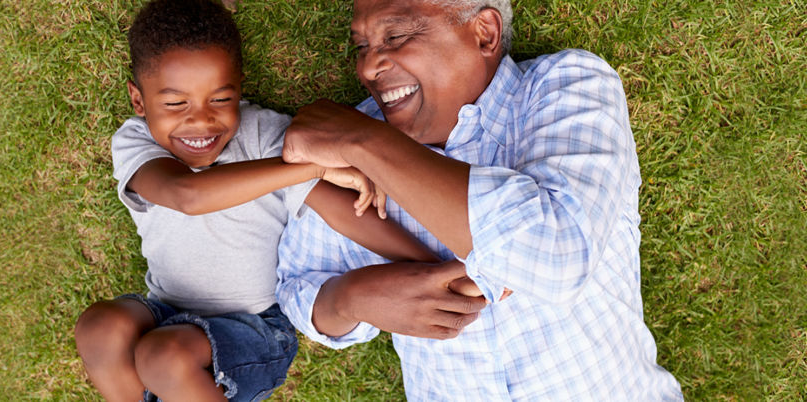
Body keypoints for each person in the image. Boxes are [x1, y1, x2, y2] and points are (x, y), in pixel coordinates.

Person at [276, 0, 684, 400]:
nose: (367, 68)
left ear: (484, 32)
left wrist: (365, 142)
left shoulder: (567, 85)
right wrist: (354, 297)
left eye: (396, 35)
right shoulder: (346, 148)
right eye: (362, 47)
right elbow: (300, 285)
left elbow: (555, 258)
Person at [72, 0, 436, 401]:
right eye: (176, 104)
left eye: (220, 100)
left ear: (239, 88)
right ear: (139, 102)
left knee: (164, 356)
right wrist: (309, 167)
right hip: (163, 311)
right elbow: (185, 195)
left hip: (255, 328)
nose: (201, 122)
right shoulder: (135, 141)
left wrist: (432, 264)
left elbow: (344, 214)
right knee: (99, 327)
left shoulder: (265, 135)